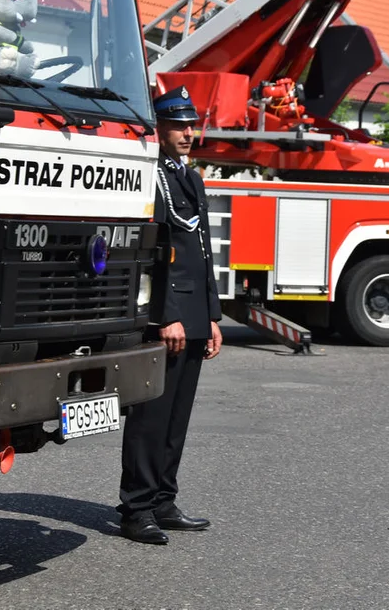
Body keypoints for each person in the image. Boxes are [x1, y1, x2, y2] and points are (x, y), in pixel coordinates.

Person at [118, 85, 223, 545]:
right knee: (151, 417)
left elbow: (202, 250)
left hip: (195, 315)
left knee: (178, 418)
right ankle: (136, 508)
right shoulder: (151, 178)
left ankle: (163, 498)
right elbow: (154, 255)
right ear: (157, 128)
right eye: (178, 125)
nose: (187, 133)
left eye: (190, 125)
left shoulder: (191, 179)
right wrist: (166, 316)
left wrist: (213, 315)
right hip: (170, 315)